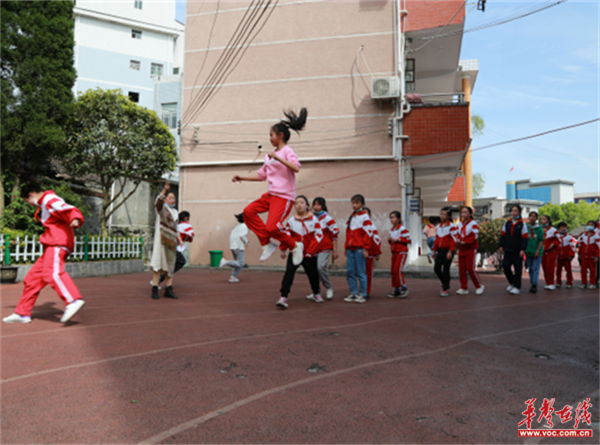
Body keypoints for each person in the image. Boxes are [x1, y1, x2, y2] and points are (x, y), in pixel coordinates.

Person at [3, 177, 86, 324]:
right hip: (51, 245)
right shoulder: (45, 202)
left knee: (51, 273)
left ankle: (72, 300)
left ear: (31, 195)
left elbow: (68, 208)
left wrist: (75, 218)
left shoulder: (49, 200)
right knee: (32, 279)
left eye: (26, 201)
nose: (29, 205)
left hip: (57, 243)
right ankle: (22, 313)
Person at [232, 109, 307, 267]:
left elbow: (296, 168)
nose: (269, 138)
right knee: (248, 212)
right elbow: (261, 175)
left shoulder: (287, 151)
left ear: (280, 135)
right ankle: (266, 244)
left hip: (284, 197)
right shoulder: (269, 156)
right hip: (271, 195)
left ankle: (295, 245)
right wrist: (242, 178)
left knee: (272, 226)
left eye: (271, 135)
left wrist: (279, 158)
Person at [277, 196, 323, 309]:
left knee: (313, 275)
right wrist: (283, 249)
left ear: (307, 205)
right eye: (296, 203)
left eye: (302, 203)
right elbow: (286, 236)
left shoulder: (314, 220)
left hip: (310, 254)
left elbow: (318, 236)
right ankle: (283, 297)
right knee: (289, 273)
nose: (299, 205)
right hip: (295, 252)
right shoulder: (291, 221)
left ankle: (316, 293)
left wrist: (310, 252)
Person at [150, 182, 184, 300]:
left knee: (170, 266)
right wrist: (164, 191)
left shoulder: (175, 212)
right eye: (170, 197)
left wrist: (179, 239)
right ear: (166, 200)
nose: (172, 199)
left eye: (174, 198)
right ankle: (154, 289)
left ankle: (168, 290)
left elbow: (175, 229)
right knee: (158, 265)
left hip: (171, 243)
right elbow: (158, 202)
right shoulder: (161, 208)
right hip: (161, 241)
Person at [343, 194, 375, 304]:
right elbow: (347, 233)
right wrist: (346, 246)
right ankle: (353, 292)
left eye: (357, 203)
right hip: (350, 248)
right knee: (350, 271)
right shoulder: (351, 216)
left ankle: (362, 294)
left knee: (361, 272)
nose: (354, 205)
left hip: (360, 248)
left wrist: (366, 248)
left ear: (362, 204)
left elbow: (368, 233)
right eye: (353, 203)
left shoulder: (365, 217)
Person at [307, 197, 339, 301]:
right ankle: (316, 292)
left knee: (321, 267)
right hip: (313, 248)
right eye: (314, 204)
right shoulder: (310, 218)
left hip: (324, 247)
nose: (316, 207)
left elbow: (334, 235)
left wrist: (335, 251)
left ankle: (328, 287)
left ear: (323, 206)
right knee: (313, 271)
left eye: (318, 204)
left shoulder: (328, 219)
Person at [499, 204, 528, 295]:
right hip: (508, 250)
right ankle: (512, 282)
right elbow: (503, 235)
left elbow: (524, 238)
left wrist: (522, 249)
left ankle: (517, 286)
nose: (514, 212)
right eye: (512, 211)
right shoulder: (507, 223)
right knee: (506, 267)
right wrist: (501, 246)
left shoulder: (522, 224)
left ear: (519, 212)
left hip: (517, 251)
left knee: (518, 269)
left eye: (516, 211)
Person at [456, 206, 484, 295]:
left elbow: (474, 235)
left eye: (465, 212)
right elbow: (456, 234)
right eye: (462, 212)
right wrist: (459, 241)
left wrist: (465, 242)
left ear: (470, 214)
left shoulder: (473, 224)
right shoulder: (459, 224)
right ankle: (463, 287)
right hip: (461, 248)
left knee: (470, 268)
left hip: (470, 249)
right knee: (461, 269)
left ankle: (479, 286)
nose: (463, 214)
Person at [432, 207, 457, 297]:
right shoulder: (438, 226)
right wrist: (434, 251)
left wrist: (450, 252)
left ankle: (445, 288)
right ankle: (446, 283)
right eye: (441, 214)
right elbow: (436, 239)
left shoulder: (452, 227)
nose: (442, 216)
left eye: (444, 214)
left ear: (449, 216)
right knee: (436, 269)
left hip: (448, 251)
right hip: (440, 250)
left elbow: (454, 240)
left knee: (446, 269)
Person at [387, 211, 411, 298]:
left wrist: (398, 239)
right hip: (394, 253)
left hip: (401, 252)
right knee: (393, 271)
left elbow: (409, 239)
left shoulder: (403, 229)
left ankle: (404, 288)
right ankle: (396, 290)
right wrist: (390, 240)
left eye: (393, 217)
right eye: (391, 218)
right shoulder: (391, 230)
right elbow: (392, 242)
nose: (391, 219)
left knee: (397, 270)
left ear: (398, 219)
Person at [219, 213, 249, 283]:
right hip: (239, 247)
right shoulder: (244, 226)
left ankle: (233, 277)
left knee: (237, 263)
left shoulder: (237, 227)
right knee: (240, 263)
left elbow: (232, 236)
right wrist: (246, 241)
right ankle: (225, 262)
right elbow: (242, 236)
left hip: (233, 247)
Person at [363, 207, 381, 300]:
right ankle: (358, 290)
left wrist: (376, 253)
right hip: (358, 252)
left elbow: (376, 240)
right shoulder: (356, 225)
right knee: (357, 272)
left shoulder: (372, 227)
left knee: (368, 272)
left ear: (369, 216)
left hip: (368, 253)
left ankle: (366, 291)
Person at [525, 211, 544, 294]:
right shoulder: (525, 228)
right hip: (528, 251)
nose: (532, 218)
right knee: (531, 269)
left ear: (536, 219)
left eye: (534, 216)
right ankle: (532, 282)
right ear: (528, 217)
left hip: (537, 252)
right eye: (530, 216)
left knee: (536, 268)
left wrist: (538, 251)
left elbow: (541, 241)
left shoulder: (539, 229)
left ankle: (534, 285)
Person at [540, 215, 559, 291]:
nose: (542, 221)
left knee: (550, 267)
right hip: (543, 252)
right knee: (544, 267)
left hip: (552, 251)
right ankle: (547, 283)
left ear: (548, 221)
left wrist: (553, 244)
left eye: (544, 219)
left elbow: (558, 240)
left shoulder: (554, 230)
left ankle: (551, 283)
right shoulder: (540, 230)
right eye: (541, 219)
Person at [578, 220, 598, 289]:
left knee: (592, 270)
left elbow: (598, 248)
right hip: (583, 256)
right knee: (583, 270)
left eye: (592, 225)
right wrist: (579, 254)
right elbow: (580, 245)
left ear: (595, 227)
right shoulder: (583, 235)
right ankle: (584, 283)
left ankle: (593, 283)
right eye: (589, 224)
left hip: (592, 257)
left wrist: (597, 256)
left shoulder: (597, 236)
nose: (590, 226)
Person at [555, 222, 575, 289]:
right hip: (558, 257)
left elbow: (572, 247)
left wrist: (571, 255)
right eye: (562, 227)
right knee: (558, 271)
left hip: (566, 257)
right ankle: (558, 282)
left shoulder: (569, 237)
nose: (563, 228)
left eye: (565, 227)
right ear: (558, 228)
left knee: (568, 270)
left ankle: (569, 282)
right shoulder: (556, 237)